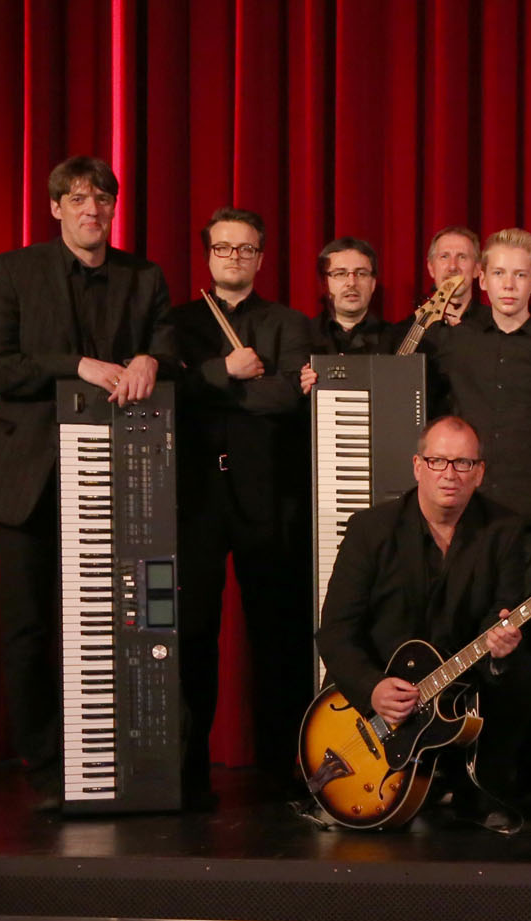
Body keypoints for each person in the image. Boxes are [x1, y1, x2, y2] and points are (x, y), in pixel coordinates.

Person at [0, 155, 172, 812]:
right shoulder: (13, 269)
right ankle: (45, 762)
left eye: (103, 199)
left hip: (117, 475)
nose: (92, 210)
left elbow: (169, 338)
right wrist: (76, 365)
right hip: (26, 474)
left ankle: (112, 758)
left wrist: (151, 358)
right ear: (55, 207)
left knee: (115, 623)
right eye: (79, 199)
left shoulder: (144, 276)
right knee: (29, 626)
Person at [313, 416, 531, 833]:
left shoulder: (504, 529)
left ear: (480, 472)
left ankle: (479, 792)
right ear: (418, 466)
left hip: (456, 682)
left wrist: (501, 642)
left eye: (463, 463)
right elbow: (335, 631)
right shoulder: (370, 530)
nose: (450, 474)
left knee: (521, 668)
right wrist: (373, 688)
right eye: (438, 461)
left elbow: (502, 608)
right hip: (380, 692)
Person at [168, 206, 315, 804]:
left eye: (246, 248)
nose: (234, 257)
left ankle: (284, 768)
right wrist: (225, 370)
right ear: (208, 255)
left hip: (268, 497)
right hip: (196, 499)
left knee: (277, 638)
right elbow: (167, 395)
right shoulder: (178, 322)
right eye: (224, 248)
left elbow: (289, 397)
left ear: (261, 257)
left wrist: (213, 389)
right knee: (192, 635)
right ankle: (187, 770)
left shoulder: (288, 321)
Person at [422, 228, 531, 564]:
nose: (509, 285)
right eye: (499, 273)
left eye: (520, 275)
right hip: (469, 513)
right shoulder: (457, 342)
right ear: (483, 279)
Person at [299, 237, 403, 395]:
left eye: (361, 273)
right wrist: (299, 388)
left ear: (373, 283)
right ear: (324, 283)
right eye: (340, 274)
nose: (352, 283)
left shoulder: (398, 340)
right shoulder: (302, 336)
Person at [422, 225, 481, 328]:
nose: (453, 267)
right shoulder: (403, 331)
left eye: (462, 257)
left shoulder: (497, 327)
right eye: (444, 257)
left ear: (477, 269)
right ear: (431, 268)